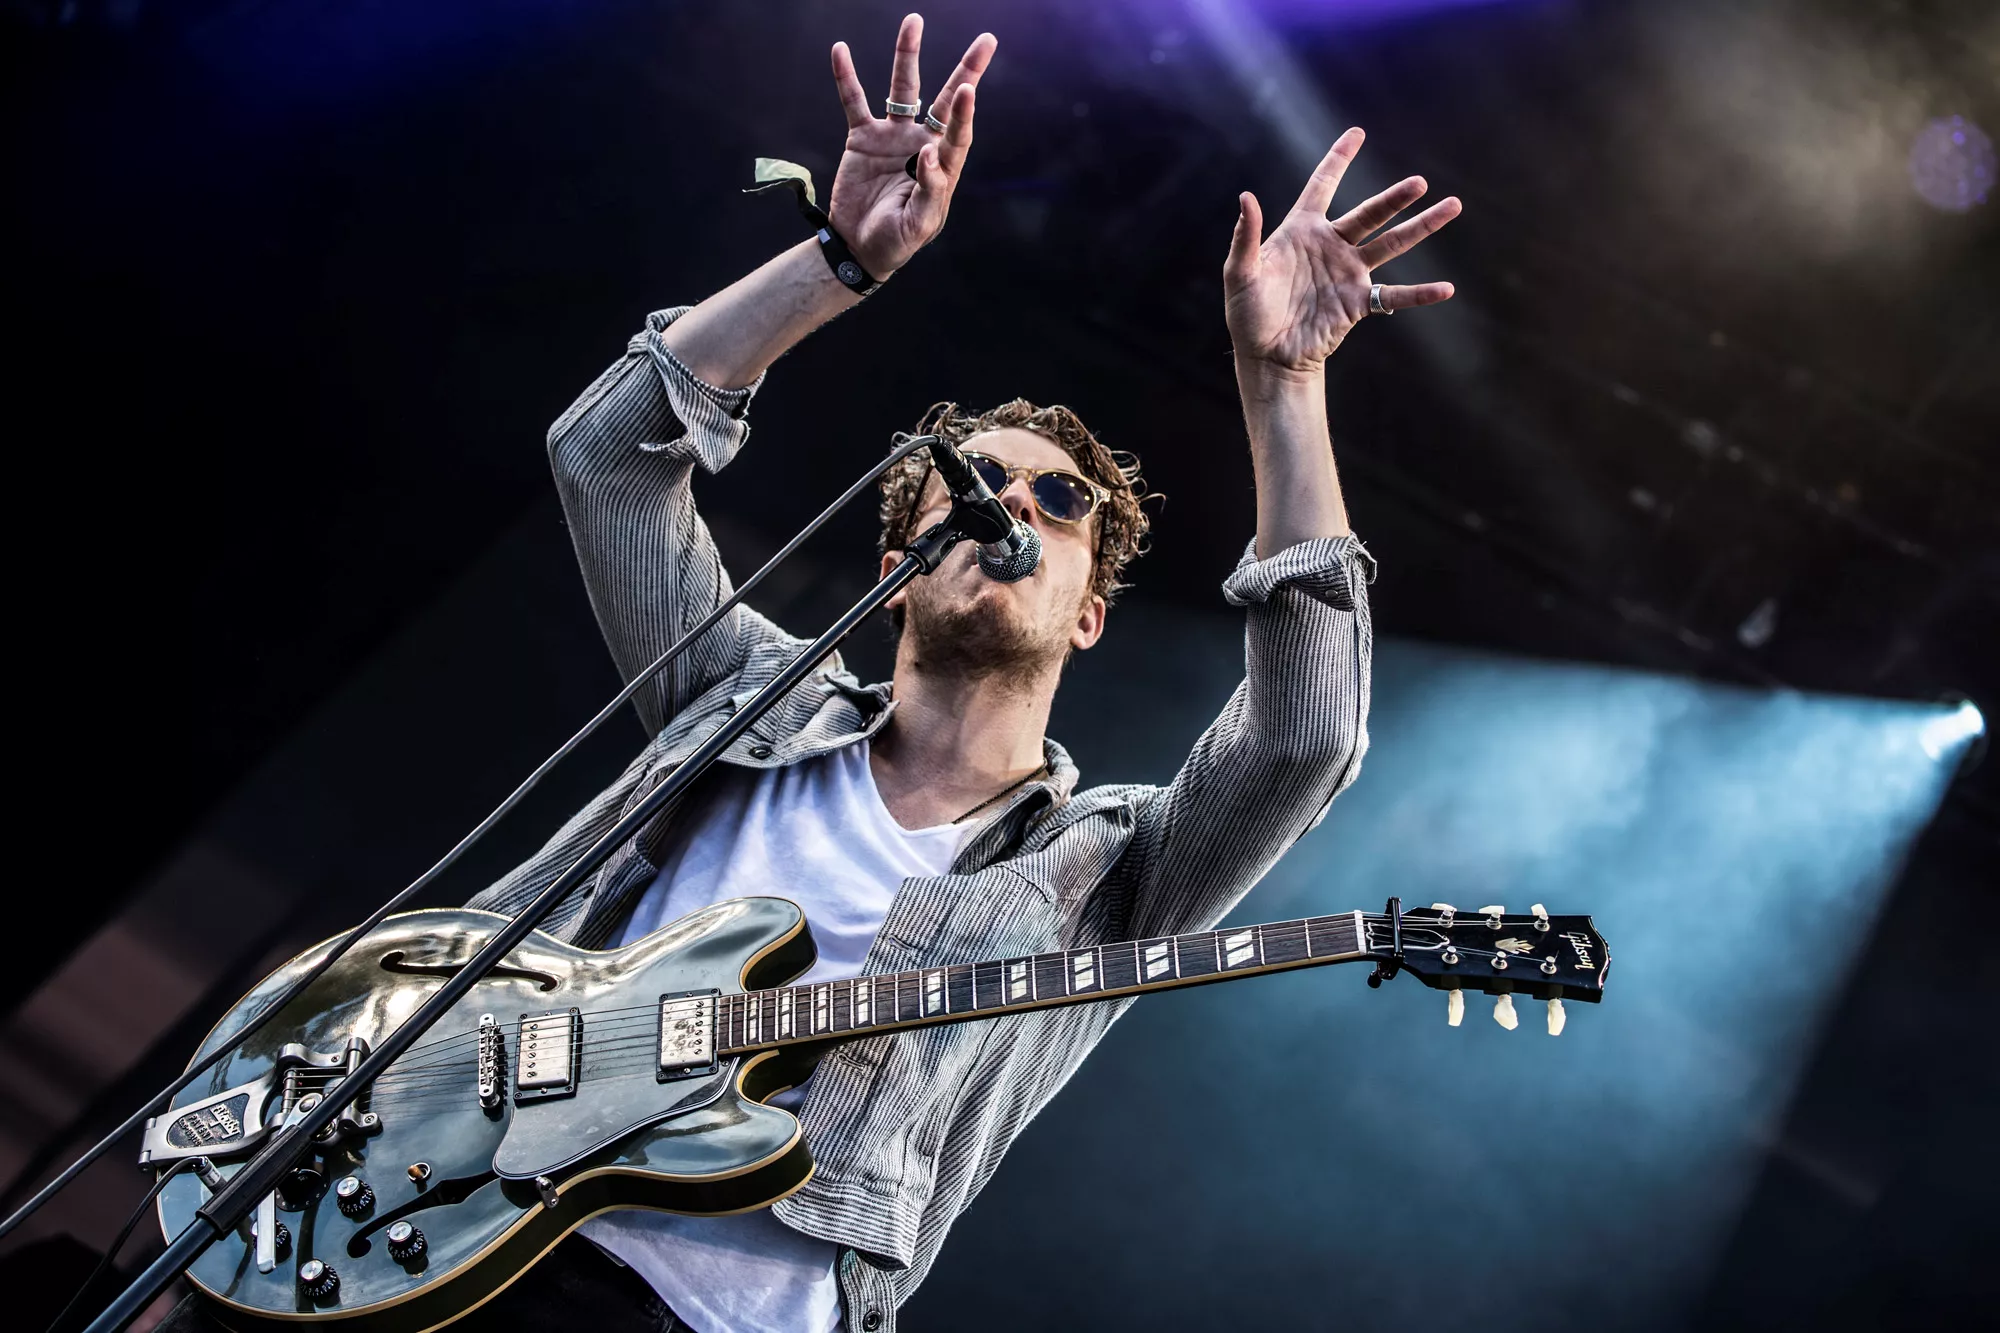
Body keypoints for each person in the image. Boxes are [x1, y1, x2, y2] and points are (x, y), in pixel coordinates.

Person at [155, 12, 1459, 1333]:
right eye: (975, 482)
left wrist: (1284, 384)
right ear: (902, 557)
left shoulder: (1113, 876)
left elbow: (1306, 735)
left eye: (1057, 501)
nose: (1010, 502)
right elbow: (607, 461)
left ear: (1088, 618)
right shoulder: (745, 696)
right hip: (442, 1227)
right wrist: (836, 261)